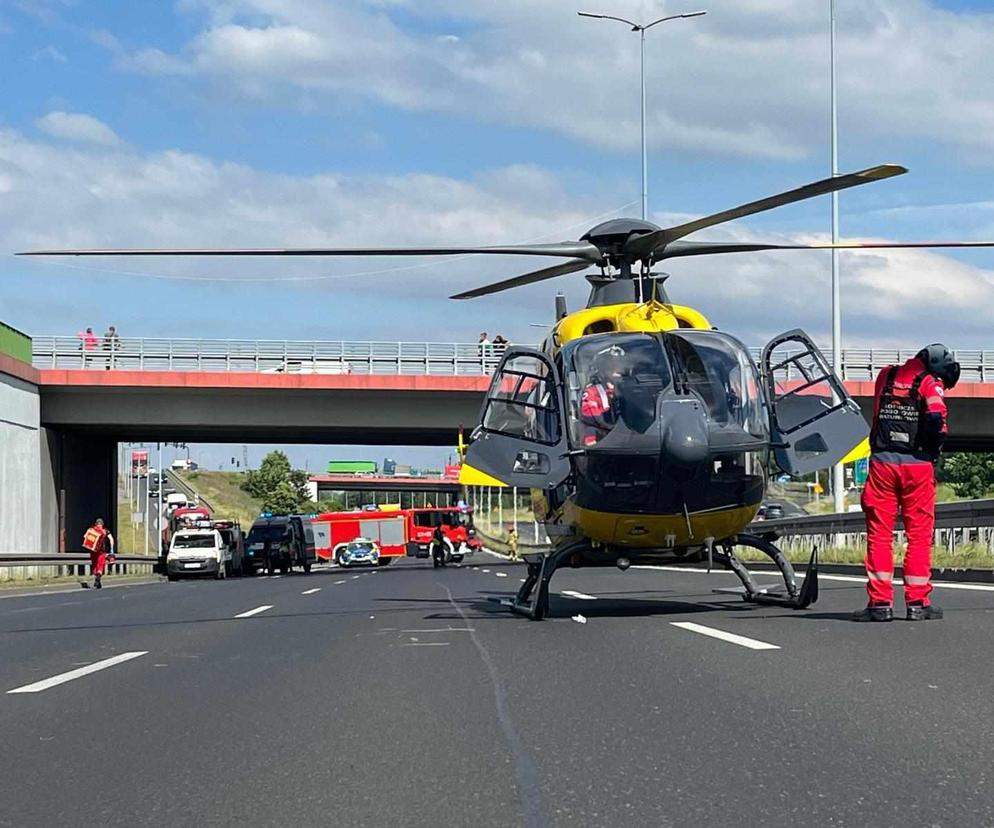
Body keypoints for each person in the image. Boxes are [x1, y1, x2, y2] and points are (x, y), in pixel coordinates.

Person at [852, 344, 960, 623]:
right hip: (917, 467)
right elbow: (937, 416)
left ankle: (879, 604)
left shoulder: (884, 376)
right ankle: (917, 602)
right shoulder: (929, 383)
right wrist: (933, 449)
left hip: (882, 465)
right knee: (919, 535)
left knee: (879, 535)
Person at [578, 345, 626, 446]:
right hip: (605, 445)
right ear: (603, 367)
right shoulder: (592, 392)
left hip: (634, 443)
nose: (618, 367)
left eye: (620, 363)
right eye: (612, 364)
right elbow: (590, 424)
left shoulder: (631, 389)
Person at [81, 518, 114, 589]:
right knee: (100, 565)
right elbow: (111, 539)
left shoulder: (91, 529)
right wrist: (111, 550)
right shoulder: (105, 531)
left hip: (93, 550)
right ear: (102, 524)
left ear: (96, 524)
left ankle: (97, 579)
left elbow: (85, 536)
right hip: (102, 551)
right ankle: (98, 577)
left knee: (95, 565)